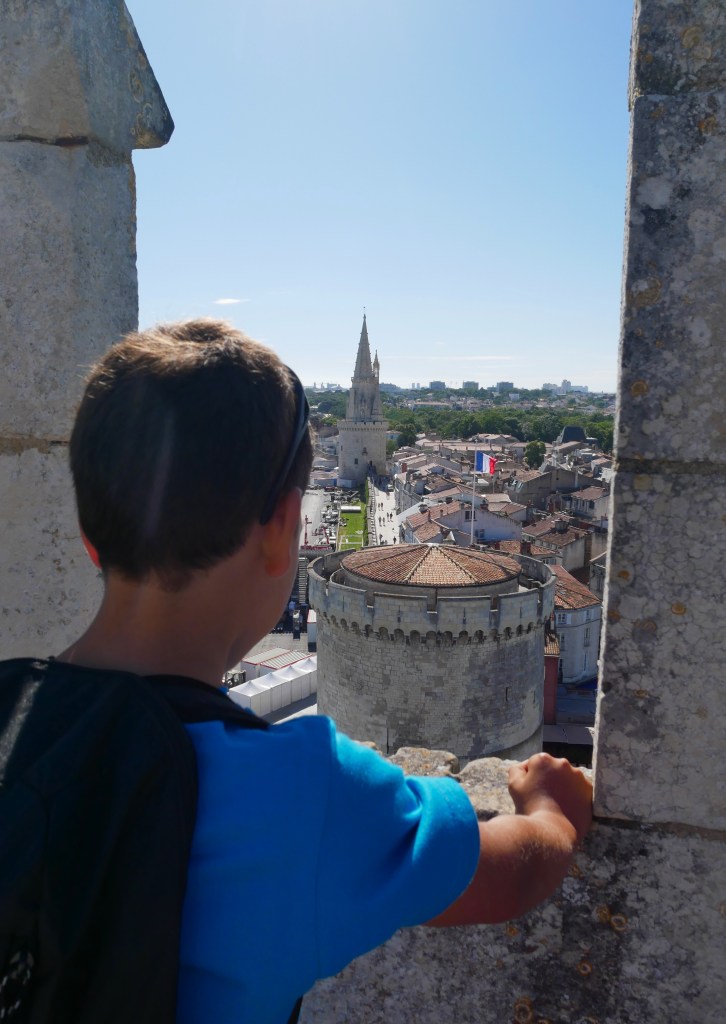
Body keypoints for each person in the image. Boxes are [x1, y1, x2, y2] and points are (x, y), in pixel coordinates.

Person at [17, 320, 592, 1022]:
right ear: (286, 528)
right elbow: (515, 871)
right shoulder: (296, 794)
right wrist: (554, 810)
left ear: (88, 538)